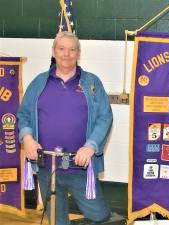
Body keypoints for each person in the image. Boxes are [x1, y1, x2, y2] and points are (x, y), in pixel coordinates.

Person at [17, 32, 122, 225]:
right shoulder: (39, 83)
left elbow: (105, 117)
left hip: (79, 166)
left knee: (100, 216)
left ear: (78, 53)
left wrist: (90, 146)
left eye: (72, 49)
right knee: (56, 219)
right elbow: (23, 115)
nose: (67, 54)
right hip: (47, 166)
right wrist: (27, 138)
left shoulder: (91, 83)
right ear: (53, 52)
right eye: (62, 49)